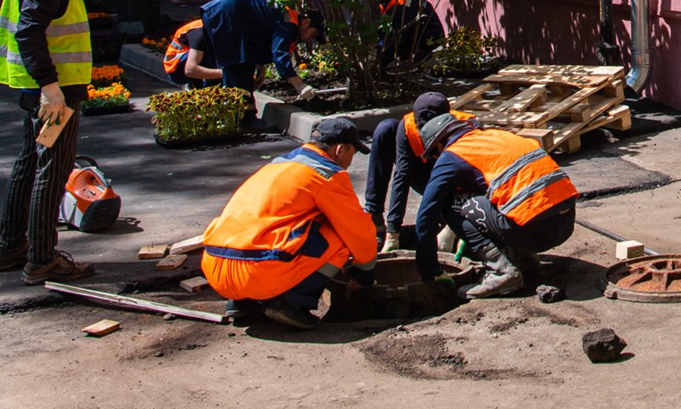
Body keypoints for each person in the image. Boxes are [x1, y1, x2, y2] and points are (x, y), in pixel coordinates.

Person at [0, 0, 116, 284]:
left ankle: (12, 246)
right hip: (54, 91)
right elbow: (30, 31)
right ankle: (41, 257)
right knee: (52, 169)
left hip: (43, 87)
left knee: (30, 164)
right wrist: (51, 88)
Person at [200, 117, 379, 329]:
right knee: (340, 236)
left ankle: (242, 301)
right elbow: (358, 230)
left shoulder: (276, 165)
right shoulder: (327, 174)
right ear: (339, 149)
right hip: (256, 274)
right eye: (353, 152)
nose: (350, 161)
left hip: (216, 271)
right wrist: (365, 272)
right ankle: (293, 303)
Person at [413, 112, 579, 299]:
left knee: (450, 203)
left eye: (434, 155)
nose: (436, 160)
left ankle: (501, 272)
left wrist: (430, 270)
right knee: (499, 194)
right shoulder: (496, 136)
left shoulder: (452, 156)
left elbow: (426, 214)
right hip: (565, 222)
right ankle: (525, 262)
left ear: (439, 146)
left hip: (534, 233)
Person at [177, 0, 322, 122]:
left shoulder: (285, 18)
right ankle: (246, 118)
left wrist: (260, 66)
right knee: (238, 65)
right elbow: (279, 54)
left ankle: (220, 113)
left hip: (224, 14)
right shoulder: (289, 24)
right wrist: (299, 85)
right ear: (306, 22)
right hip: (227, 15)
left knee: (238, 65)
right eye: (313, 34)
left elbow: (259, 43)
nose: (310, 39)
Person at [362, 92, 473, 249]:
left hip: (457, 187)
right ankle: (375, 218)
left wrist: (453, 230)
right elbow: (402, 176)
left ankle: (451, 221)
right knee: (385, 128)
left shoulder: (467, 127)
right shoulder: (407, 127)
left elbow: (475, 181)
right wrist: (393, 233)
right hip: (426, 174)